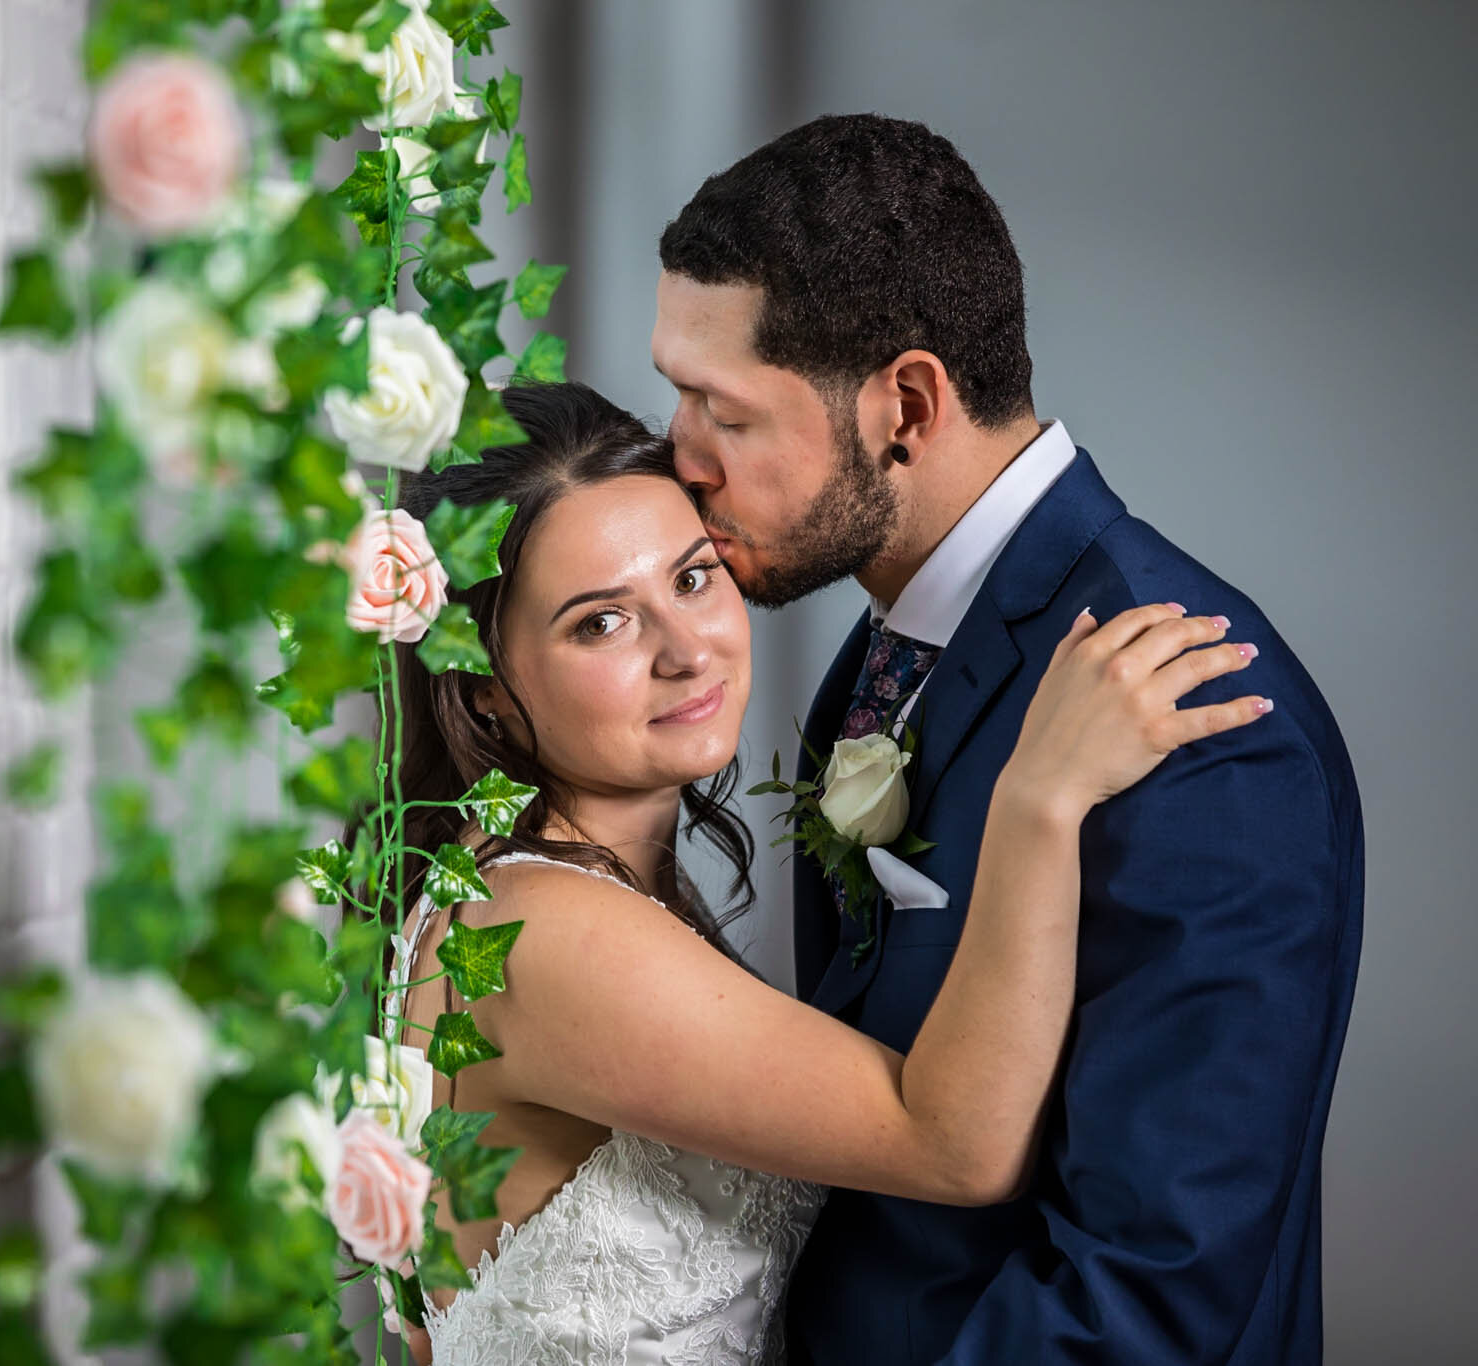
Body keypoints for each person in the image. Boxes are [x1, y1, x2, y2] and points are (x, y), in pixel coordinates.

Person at [652, 114, 1363, 1364]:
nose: (680, 457)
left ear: (905, 406)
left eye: (724, 411)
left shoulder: (1199, 723)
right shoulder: (887, 645)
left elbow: (1145, 1295)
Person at [382, 380, 1268, 1365]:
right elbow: (951, 1143)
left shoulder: (502, 883)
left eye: (688, 577)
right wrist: (1039, 799)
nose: (685, 650)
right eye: (600, 622)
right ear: (486, 693)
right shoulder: (545, 933)